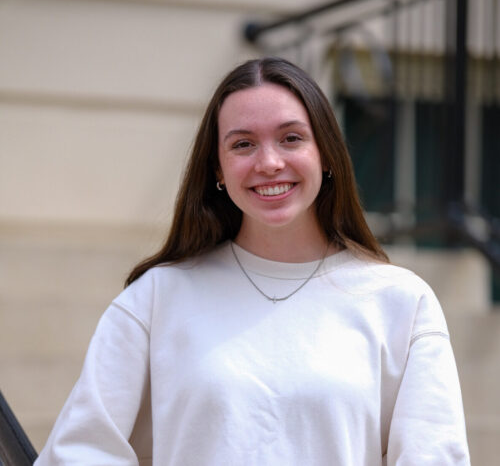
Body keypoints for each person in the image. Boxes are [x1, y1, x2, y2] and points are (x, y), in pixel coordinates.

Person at [35, 57, 470, 465]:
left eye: (291, 138)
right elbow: (80, 451)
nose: (270, 162)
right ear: (219, 171)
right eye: (243, 144)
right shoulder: (154, 299)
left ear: (327, 154)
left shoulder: (402, 303)